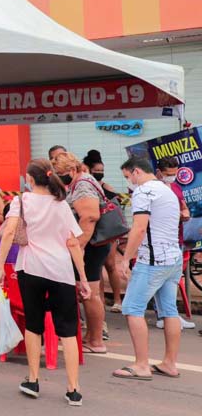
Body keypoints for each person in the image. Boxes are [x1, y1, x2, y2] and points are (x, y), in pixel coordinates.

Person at [0, 158, 90, 406]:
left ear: (29, 179)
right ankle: (73, 390)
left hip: (31, 269)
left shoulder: (20, 201)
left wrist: (0, 267)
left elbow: (8, 232)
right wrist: (82, 277)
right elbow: (73, 243)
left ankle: (33, 380)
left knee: (34, 325)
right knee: (68, 331)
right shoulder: (61, 205)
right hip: (61, 273)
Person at [112, 156, 182, 381]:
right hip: (173, 258)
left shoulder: (143, 192)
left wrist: (125, 259)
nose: (128, 183)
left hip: (152, 261)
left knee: (132, 308)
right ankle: (170, 363)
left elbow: (139, 228)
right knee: (169, 311)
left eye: (127, 177)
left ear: (136, 172)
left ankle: (141, 365)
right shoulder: (167, 190)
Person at [53, 152, 108, 354]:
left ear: (73, 169)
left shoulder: (83, 183)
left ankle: (96, 341)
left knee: (89, 293)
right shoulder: (79, 182)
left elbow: (90, 217)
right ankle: (91, 337)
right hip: (88, 245)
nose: (60, 177)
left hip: (90, 246)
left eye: (61, 173)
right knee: (87, 292)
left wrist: (79, 247)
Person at [154, 156, 194, 330]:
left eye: (174, 173)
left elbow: (184, 206)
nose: (172, 176)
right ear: (159, 172)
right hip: (160, 240)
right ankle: (162, 315)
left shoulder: (177, 187)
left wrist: (185, 213)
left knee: (173, 279)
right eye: (168, 174)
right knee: (159, 280)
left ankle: (171, 314)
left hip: (176, 238)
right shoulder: (153, 189)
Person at [83, 149, 124, 315]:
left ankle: (117, 300)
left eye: (102, 171)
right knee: (96, 268)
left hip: (108, 231)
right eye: (96, 171)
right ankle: (98, 300)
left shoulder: (107, 188)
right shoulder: (85, 187)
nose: (100, 174)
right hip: (93, 233)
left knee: (111, 265)